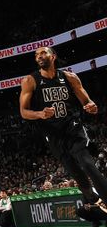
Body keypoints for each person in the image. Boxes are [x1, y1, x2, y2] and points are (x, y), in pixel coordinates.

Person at [19, 47, 107, 213]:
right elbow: (24, 112)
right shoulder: (30, 81)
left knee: (87, 164)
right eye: (36, 55)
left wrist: (92, 107)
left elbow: (88, 102)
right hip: (52, 134)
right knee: (77, 175)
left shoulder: (69, 77)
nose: (39, 56)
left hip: (72, 128)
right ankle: (93, 200)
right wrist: (39, 113)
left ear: (53, 56)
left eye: (43, 53)